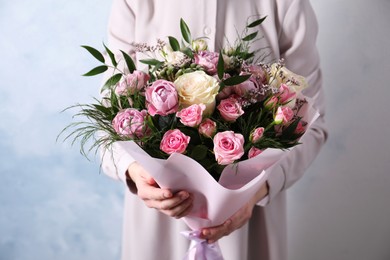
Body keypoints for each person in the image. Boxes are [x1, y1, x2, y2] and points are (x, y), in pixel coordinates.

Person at [101, 0, 327, 259]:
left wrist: (257, 191)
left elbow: (311, 122)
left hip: (249, 222)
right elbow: (110, 111)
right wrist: (135, 170)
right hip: (157, 221)